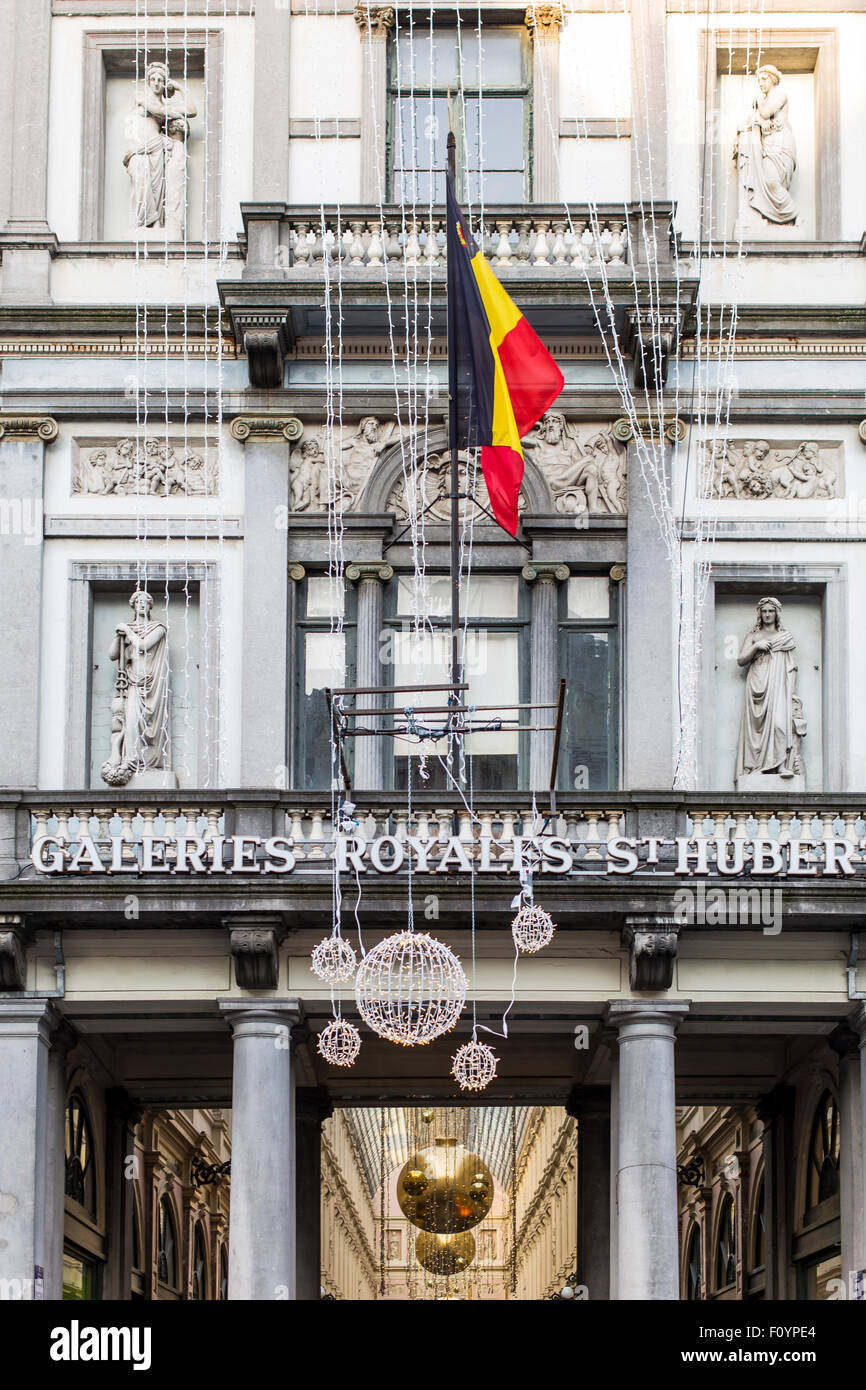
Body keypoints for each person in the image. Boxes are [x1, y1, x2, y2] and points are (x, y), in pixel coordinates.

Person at [101, 589, 172, 786]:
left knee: (150, 727)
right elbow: (113, 655)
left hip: (152, 687)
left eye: (145, 602)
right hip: (132, 683)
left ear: (150, 606)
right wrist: (118, 636)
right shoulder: (129, 629)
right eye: (138, 602)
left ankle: (150, 764)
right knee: (130, 723)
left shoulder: (158, 628)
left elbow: (143, 645)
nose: (141, 605)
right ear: (133, 606)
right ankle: (131, 762)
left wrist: (128, 631)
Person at [735, 596, 805, 784]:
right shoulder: (753, 636)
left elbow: (792, 667)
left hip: (779, 684)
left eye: (770, 611)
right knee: (756, 728)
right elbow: (741, 660)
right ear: (760, 614)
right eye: (764, 611)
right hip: (757, 681)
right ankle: (756, 767)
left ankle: (781, 764)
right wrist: (756, 646)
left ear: (776, 614)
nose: (767, 614)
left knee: (780, 724)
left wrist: (790, 692)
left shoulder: (785, 638)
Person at [733, 65, 797, 225]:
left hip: (782, 144)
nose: (760, 83)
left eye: (764, 79)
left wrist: (759, 103)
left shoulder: (780, 95)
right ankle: (778, 217)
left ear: (773, 79)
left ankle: (791, 215)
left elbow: (765, 112)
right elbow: (755, 120)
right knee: (768, 180)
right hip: (768, 145)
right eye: (758, 80)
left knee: (772, 182)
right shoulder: (763, 100)